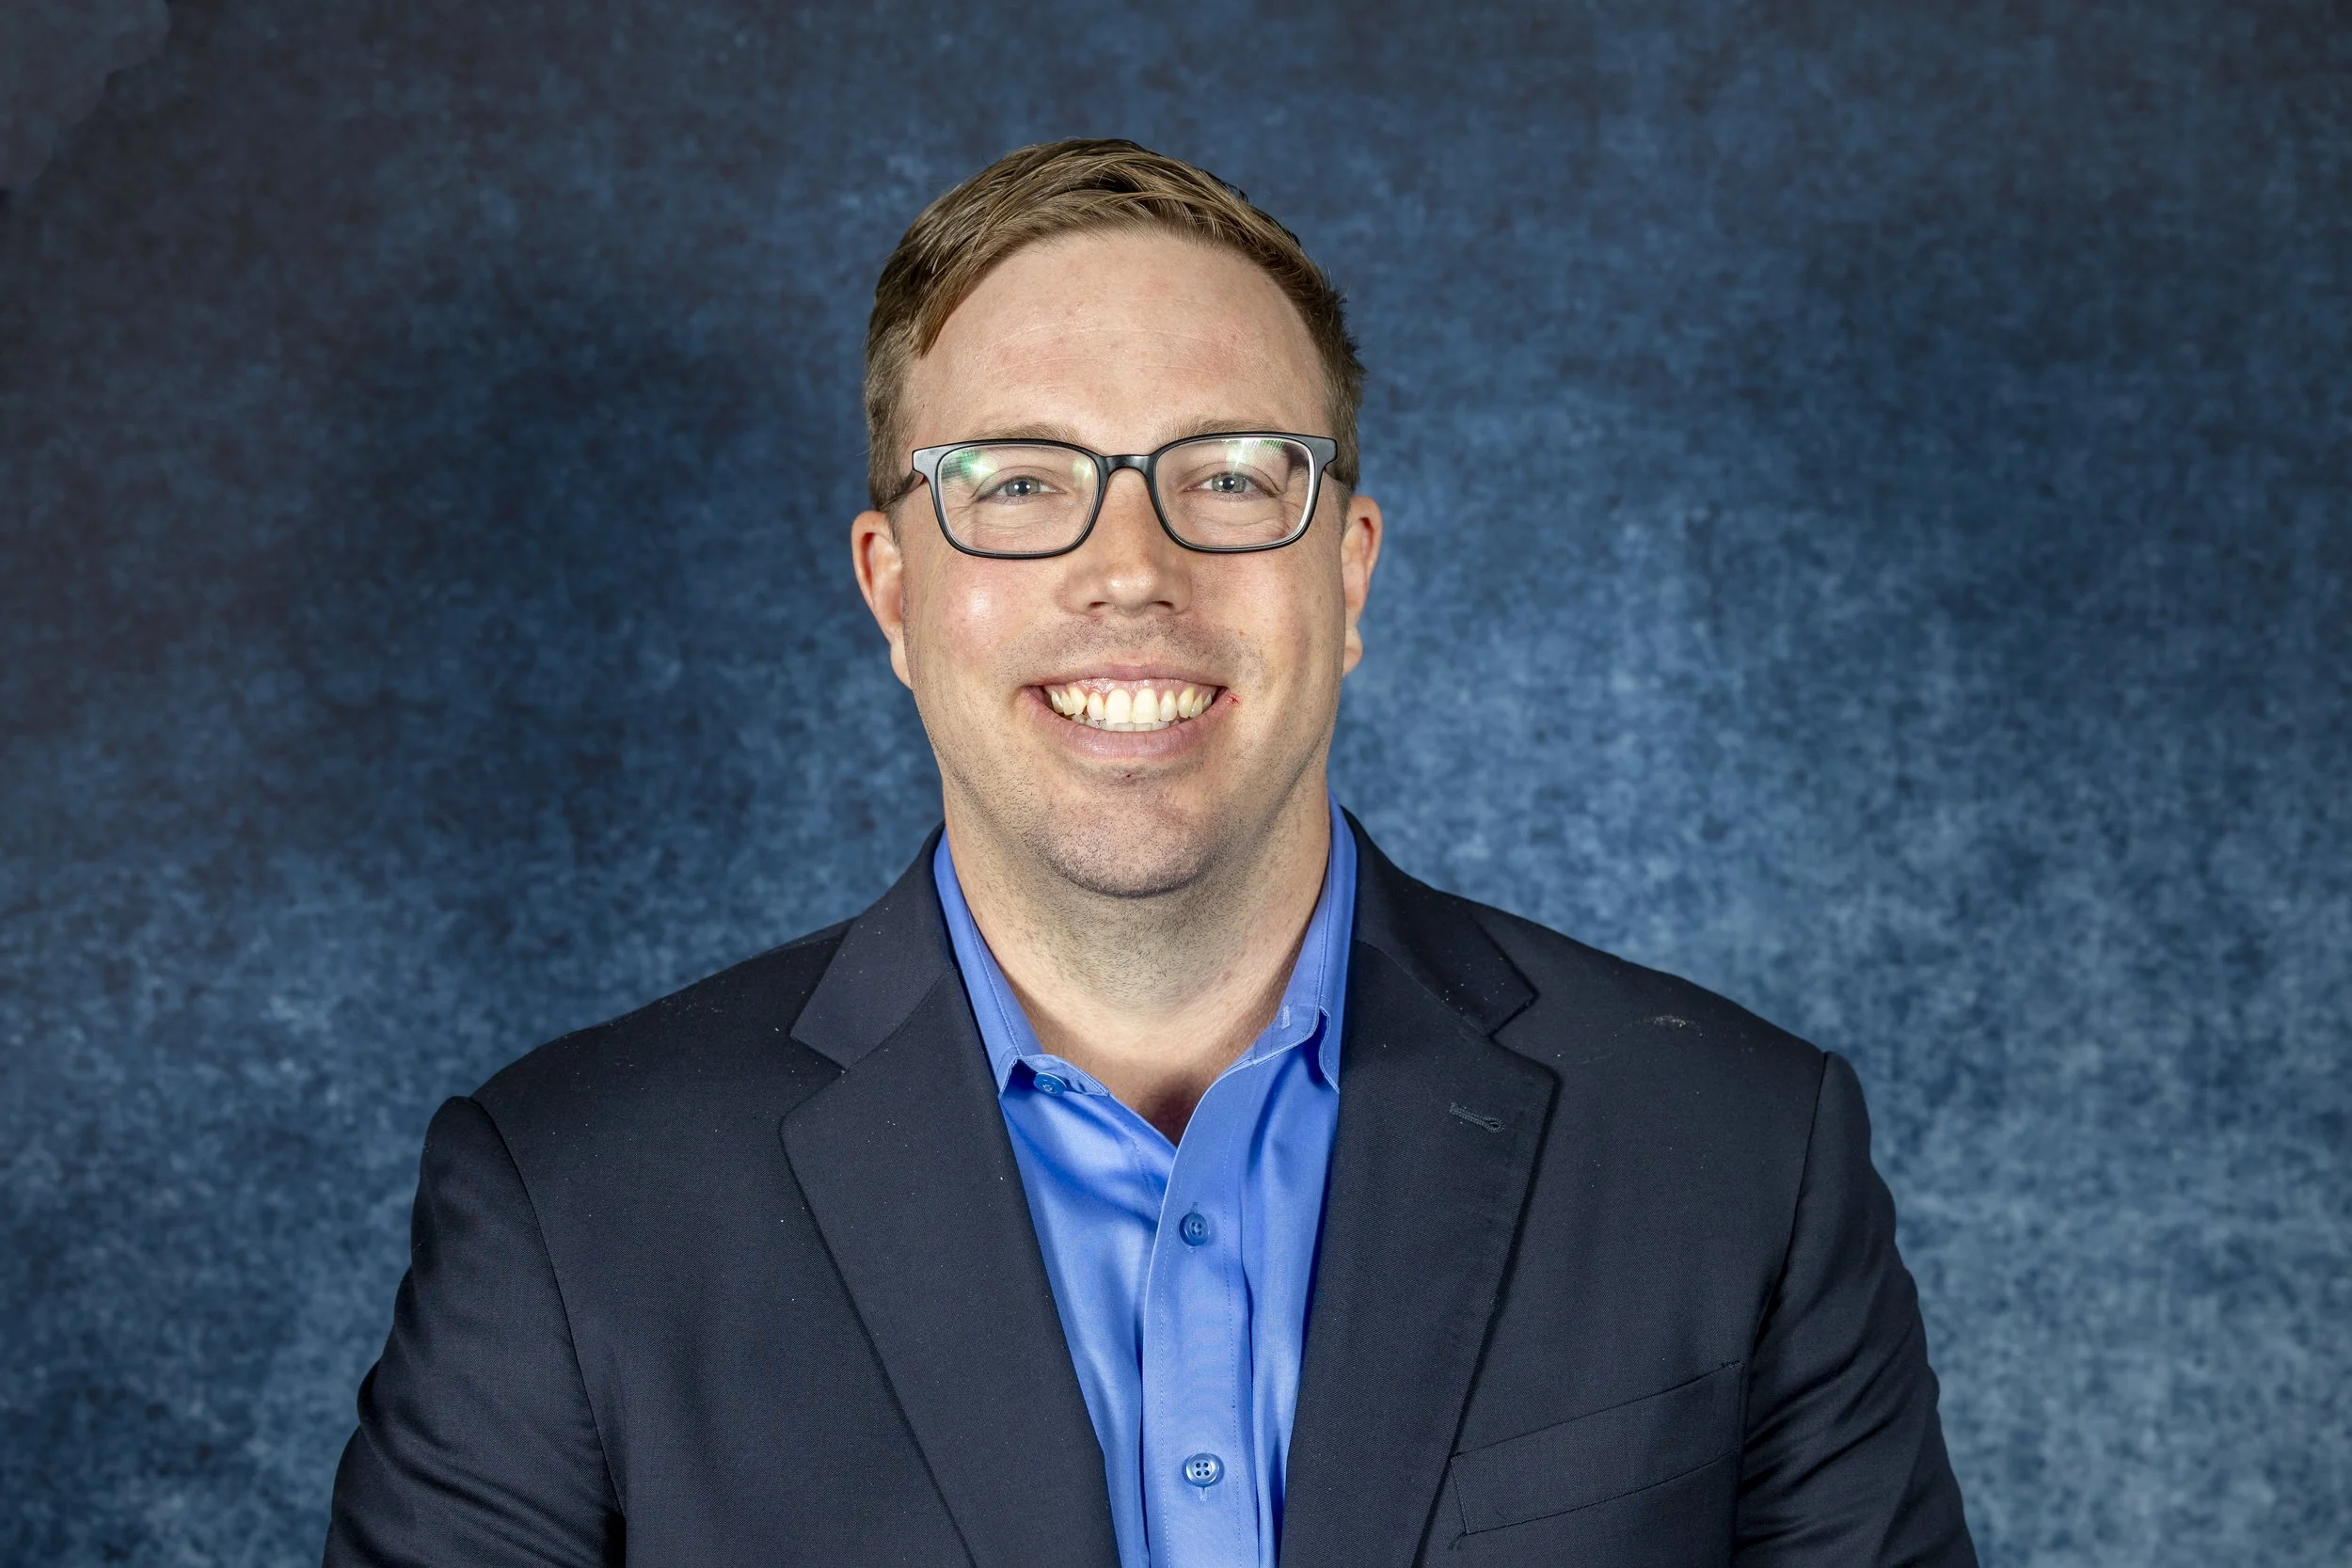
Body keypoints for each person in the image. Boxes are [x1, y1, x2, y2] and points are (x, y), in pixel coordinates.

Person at [325, 138, 1976, 1568]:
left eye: (1232, 476)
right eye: (1018, 482)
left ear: (1349, 572)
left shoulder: (1737, 1154)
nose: (1130, 567)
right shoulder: (573, 1206)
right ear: (893, 589)